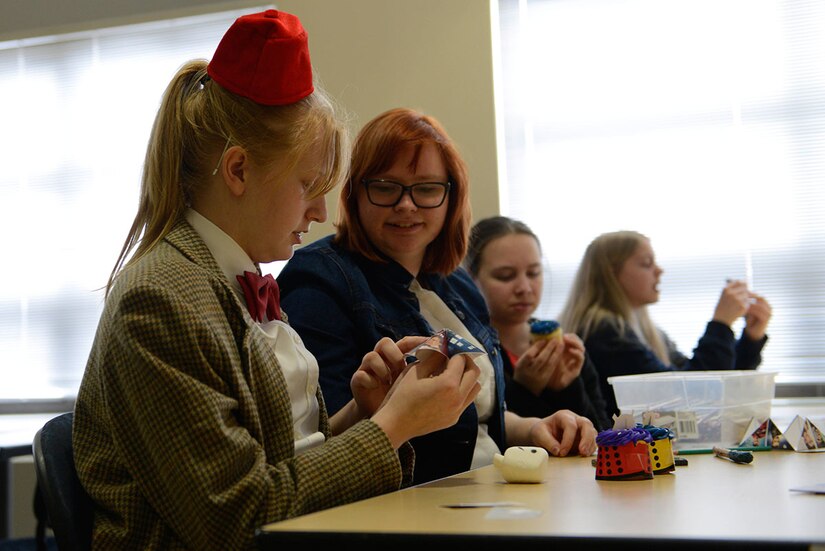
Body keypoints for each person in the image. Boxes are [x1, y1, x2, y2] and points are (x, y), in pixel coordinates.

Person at [72, 11, 481, 550]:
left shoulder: (230, 280)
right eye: (309, 184)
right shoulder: (158, 299)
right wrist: (393, 428)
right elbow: (238, 519)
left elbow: (284, 463)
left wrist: (368, 412)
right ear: (238, 171)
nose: (319, 211)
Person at [277, 107, 597, 485]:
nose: (406, 205)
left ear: (451, 197)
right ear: (355, 193)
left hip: (493, 493)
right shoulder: (320, 279)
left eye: (426, 188)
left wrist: (533, 428)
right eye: (385, 186)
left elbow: (474, 415)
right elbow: (323, 438)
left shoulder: (458, 285)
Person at [558, 230, 772, 418]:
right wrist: (721, 324)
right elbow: (691, 396)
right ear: (611, 275)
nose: (659, 271)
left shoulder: (646, 331)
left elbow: (714, 382)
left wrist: (750, 339)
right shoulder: (604, 333)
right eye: (646, 263)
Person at [465, 216, 611, 430]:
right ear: (470, 279)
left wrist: (567, 387)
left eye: (534, 273)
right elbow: (488, 442)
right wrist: (524, 389)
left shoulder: (566, 348)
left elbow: (601, 438)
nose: (524, 287)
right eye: (505, 276)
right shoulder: (470, 354)